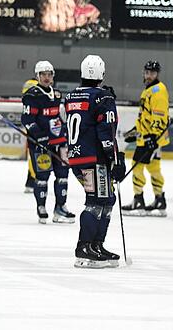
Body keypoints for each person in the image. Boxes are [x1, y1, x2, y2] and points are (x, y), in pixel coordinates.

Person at [63, 55, 126, 268]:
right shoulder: (104, 98)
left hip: (77, 158)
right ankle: (84, 248)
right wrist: (115, 160)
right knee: (96, 202)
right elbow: (106, 132)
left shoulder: (71, 96)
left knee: (107, 200)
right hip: (96, 160)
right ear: (102, 74)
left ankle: (96, 245)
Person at [21, 60, 74, 224]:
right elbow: (27, 119)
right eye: (43, 74)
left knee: (63, 176)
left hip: (59, 143)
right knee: (42, 176)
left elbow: (61, 119)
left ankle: (60, 208)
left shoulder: (57, 94)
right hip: (40, 145)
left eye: (49, 74)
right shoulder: (32, 95)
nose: (46, 77)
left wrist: (65, 137)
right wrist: (39, 137)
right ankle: (41, 207)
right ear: (37, 76)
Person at [121, 60, 169, 217]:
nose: (149, 75)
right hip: (150, 138)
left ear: (157, 74)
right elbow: (146, 116)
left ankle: (138, 200)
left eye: (152, 73)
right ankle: (160, 199)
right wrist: (136, 132)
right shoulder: (149, 90)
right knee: (154, 168)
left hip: (152, 138)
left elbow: (159, 116)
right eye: (147, 72)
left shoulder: (157, 90)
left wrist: (152, 137)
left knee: (137, 166)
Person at [21, 77, 38, 193]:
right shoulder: (37, 86)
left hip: (31, 125)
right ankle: (34, 180)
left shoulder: (27, 83)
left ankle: (31, 181)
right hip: (37, 125)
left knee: (32, 155)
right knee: (35, 155)